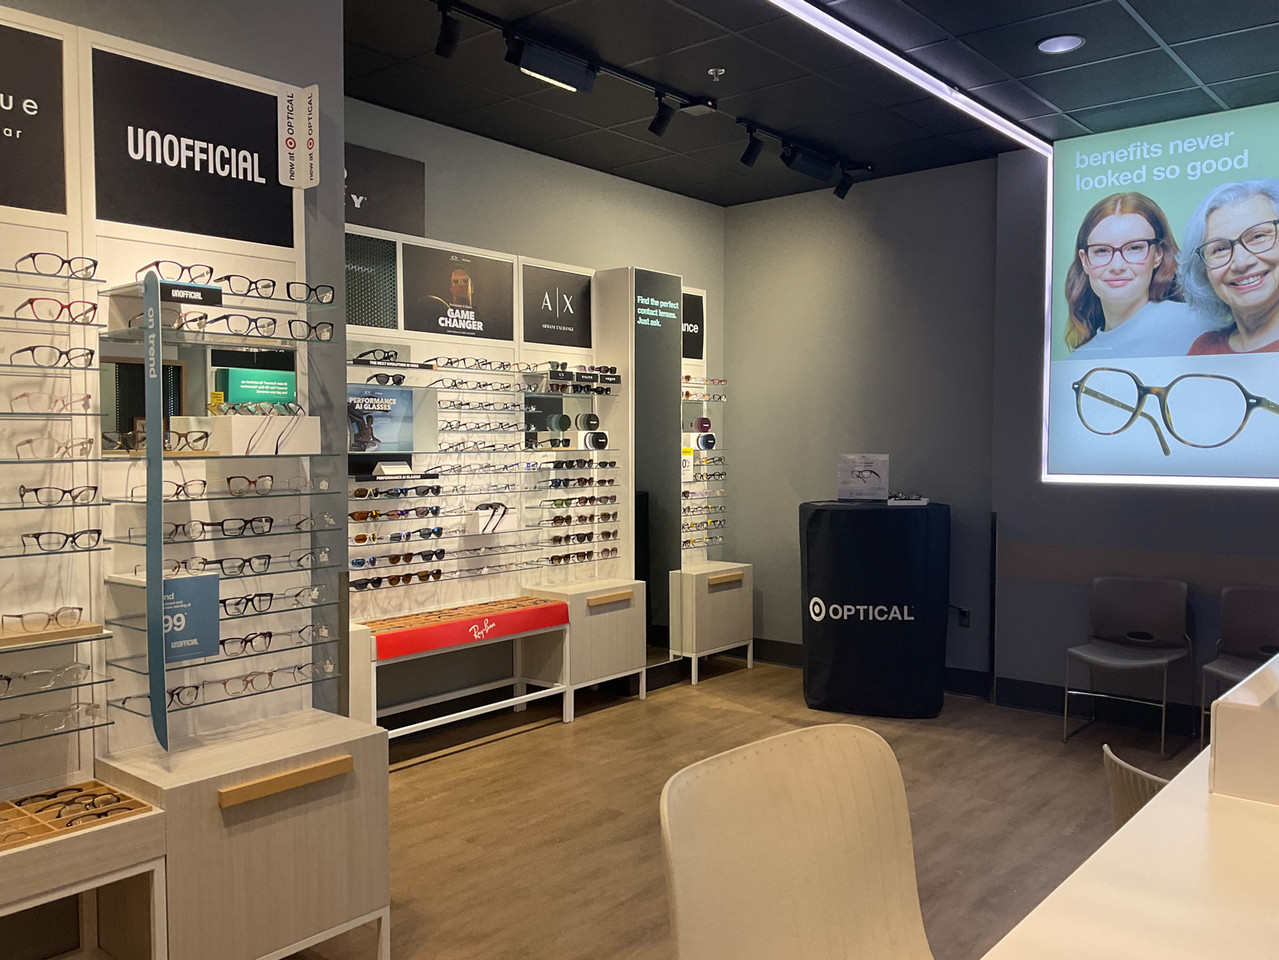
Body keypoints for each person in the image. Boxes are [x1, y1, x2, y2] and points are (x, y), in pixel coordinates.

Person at [1064, 192, 1201, 358]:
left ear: (1158, 254)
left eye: (1134, 248)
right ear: (1085, 261)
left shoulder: (1198, 326)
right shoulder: (1079, 358)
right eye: (1102, 251)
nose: (1117, 266)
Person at [1182, 179, 1279, 355]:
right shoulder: (1203, 349)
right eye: (1220, 249)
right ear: (1204, 272)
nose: (1241, 262)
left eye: (1258, 237)